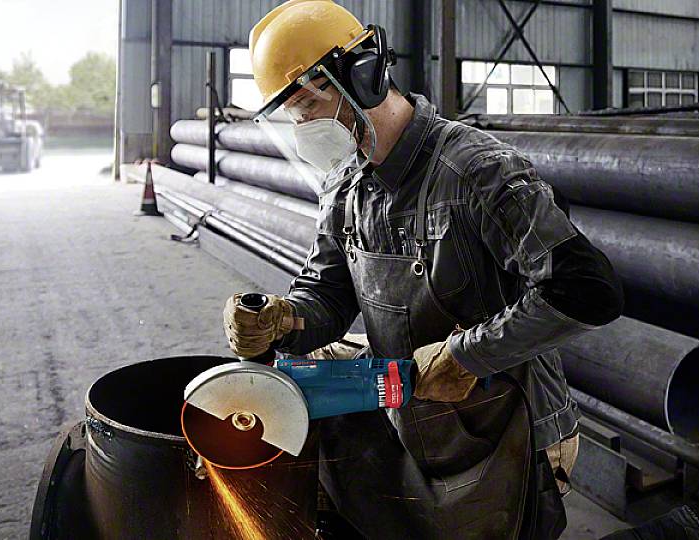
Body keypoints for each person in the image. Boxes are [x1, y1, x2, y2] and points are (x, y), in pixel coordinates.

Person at [222, 1, 640, 538]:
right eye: (293, 114)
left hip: (507, 430)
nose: (303, 125)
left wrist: (468, 355)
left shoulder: (474, 170)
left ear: (363, 75)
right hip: (413, 414)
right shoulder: (347, 185)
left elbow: (589, 289)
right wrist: (284, 319)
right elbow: (327, 298)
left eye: (308, 103)